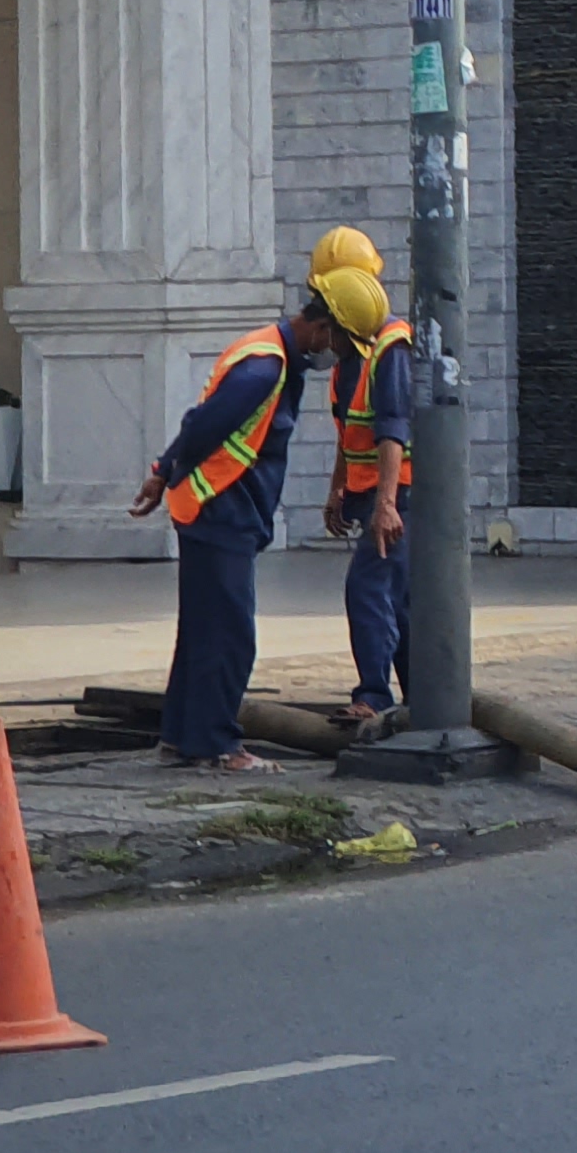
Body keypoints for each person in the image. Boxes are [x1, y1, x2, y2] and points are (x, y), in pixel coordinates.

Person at [129, 267, 382, 771]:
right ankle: (219, 746)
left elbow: (201, 424)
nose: (339, 356)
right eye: (342, 345)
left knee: (202, 631)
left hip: (215, 509)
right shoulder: (265, 369)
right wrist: (165, 472)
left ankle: (183, 738)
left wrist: (162, 473)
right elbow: (203, 426)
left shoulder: (270, 355)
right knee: (229, 635)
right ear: (323, 329)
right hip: (221, 510)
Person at [309, 226, 419, 724]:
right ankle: (422, 697)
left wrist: (386, 504)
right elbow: (348, 428)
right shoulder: (350, 355)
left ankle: (374, 697)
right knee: (398, 599)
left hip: (398, 494)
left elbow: (392, 429)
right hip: (375, 494)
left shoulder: (390, 347)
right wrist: (338, 488)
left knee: (367, 588)